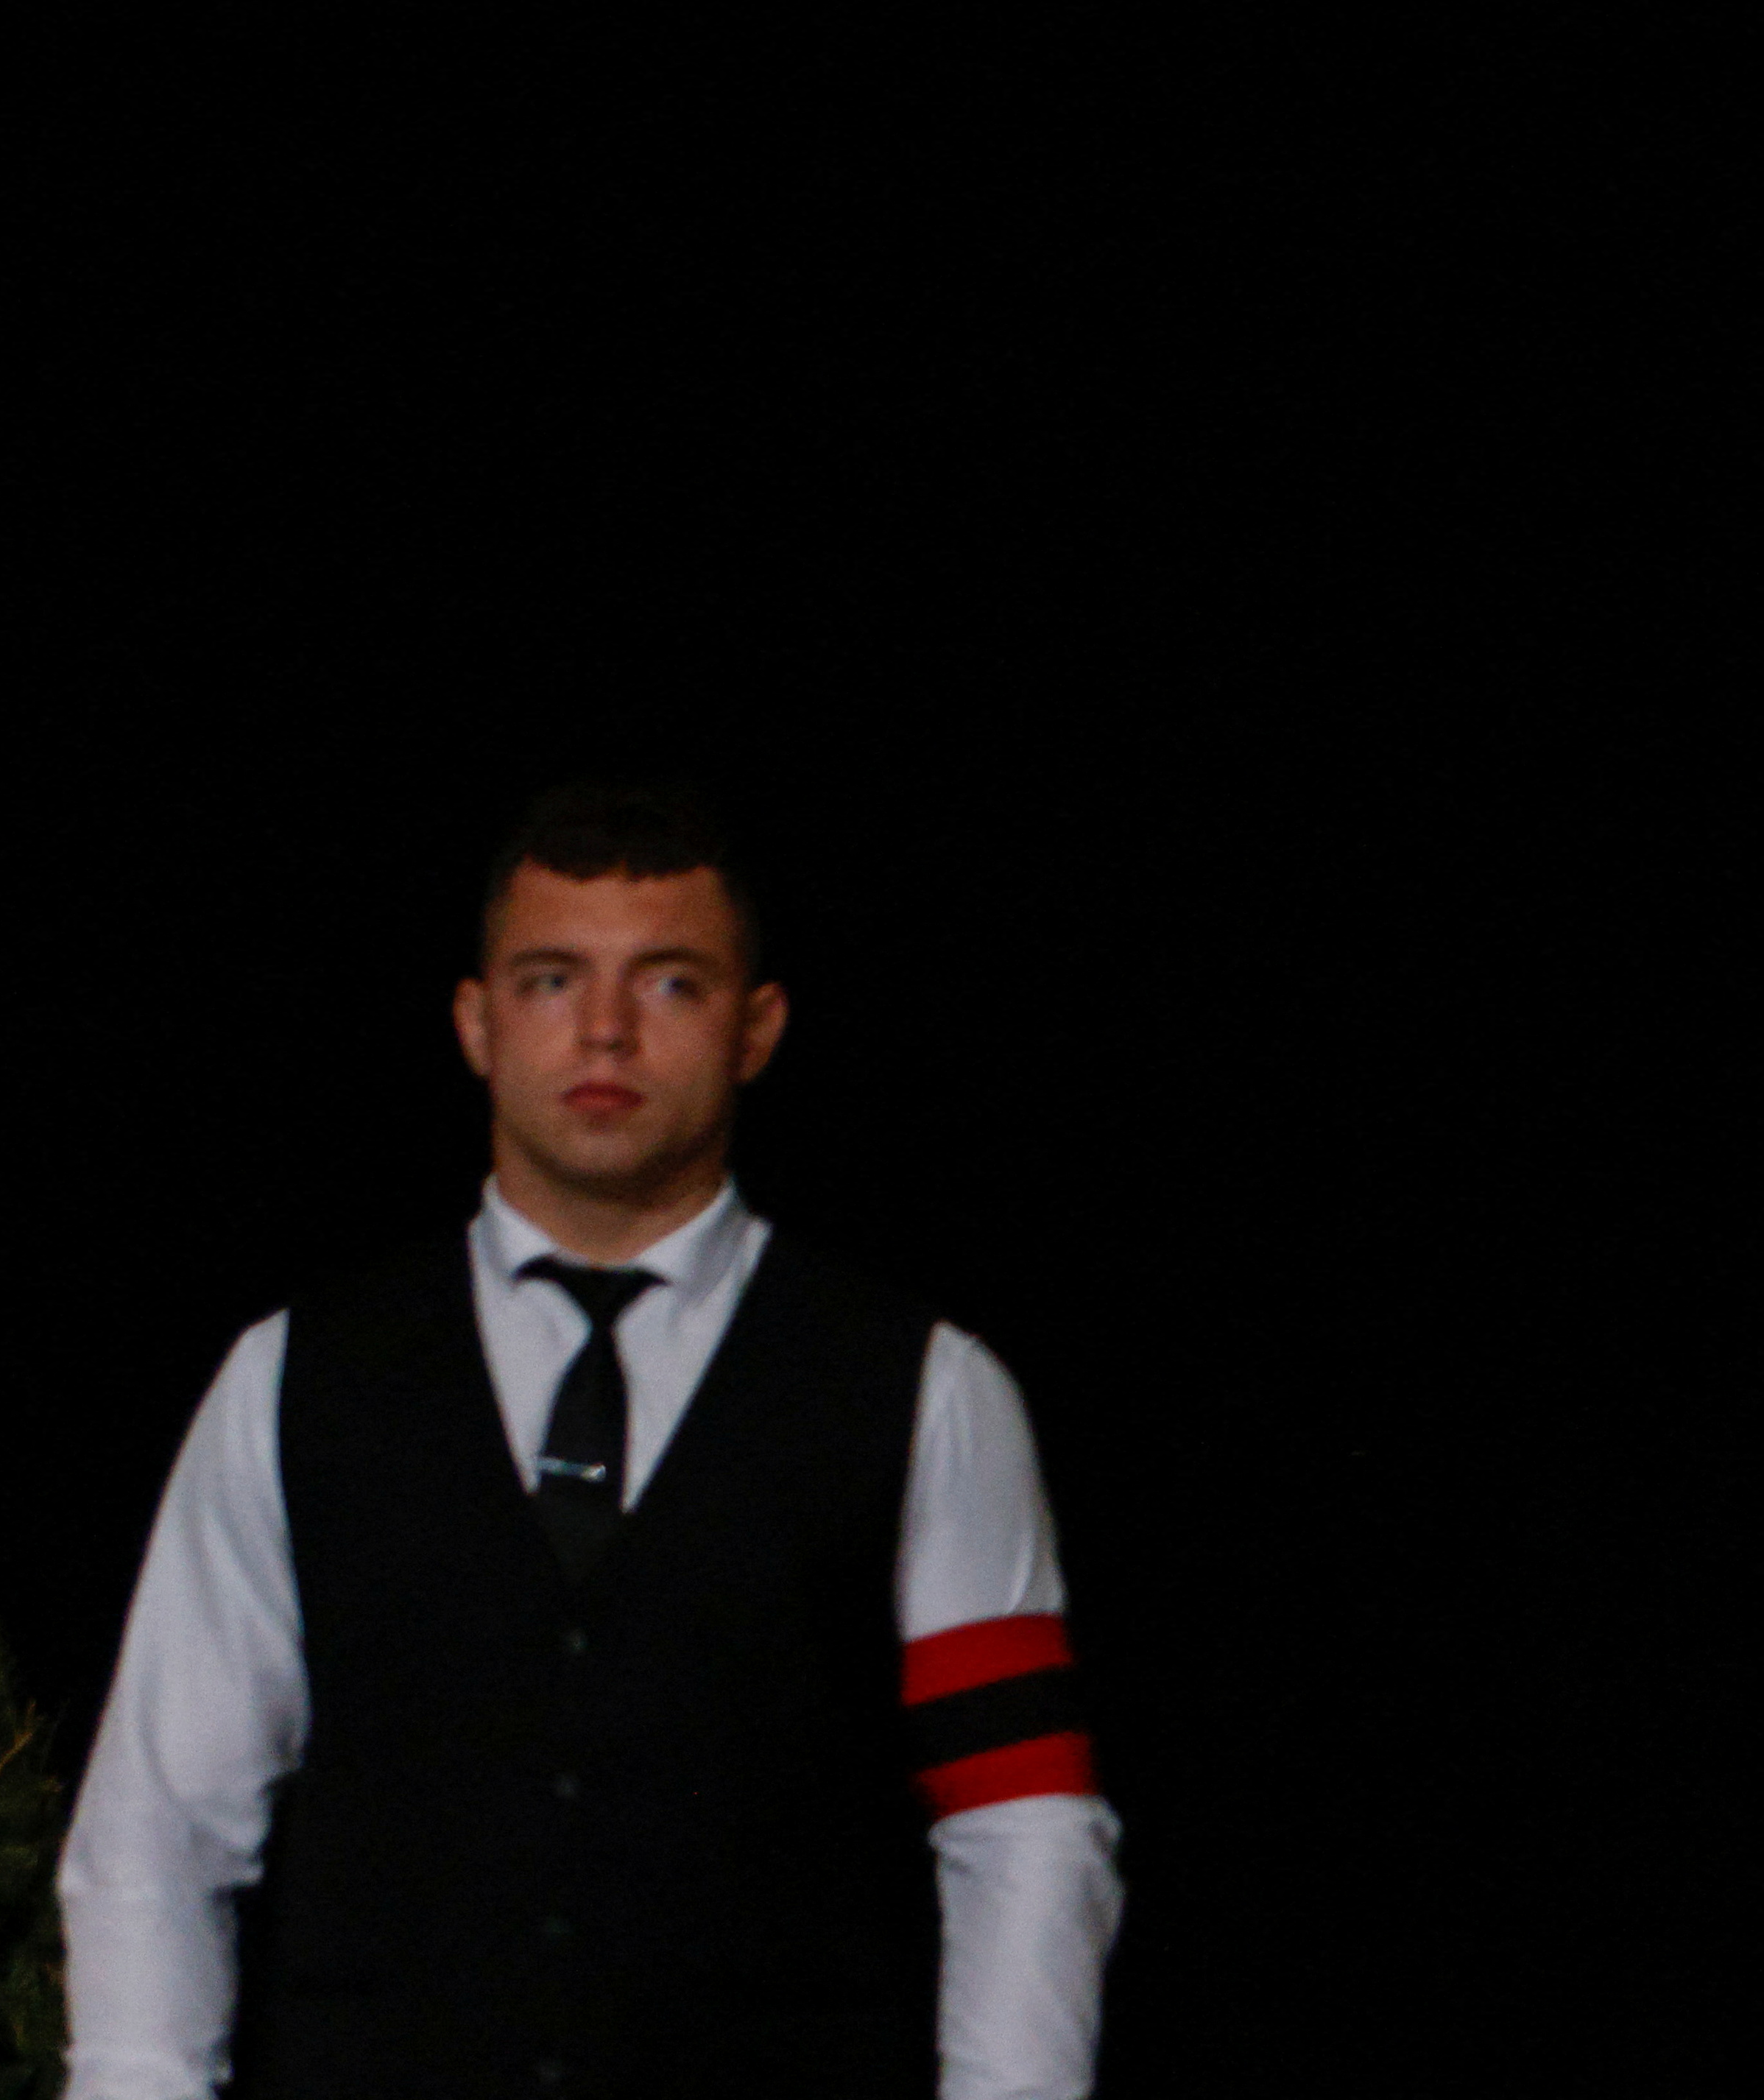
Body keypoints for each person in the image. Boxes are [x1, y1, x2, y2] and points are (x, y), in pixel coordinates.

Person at [58, 785, 1121, 2100]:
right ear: (477, 1023)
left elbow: (1020, 1822)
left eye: (671, 985)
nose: (605, 1030)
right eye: (553, 979)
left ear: (757, 1027)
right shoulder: (295, 1376)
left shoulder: (929, 1390)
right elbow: (161, 1827)